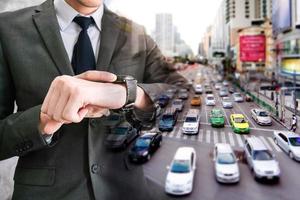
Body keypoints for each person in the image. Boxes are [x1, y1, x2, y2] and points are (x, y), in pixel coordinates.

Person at [0, 0, 186, 199]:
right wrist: (42, 120)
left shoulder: (137, 34)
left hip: (127, 190)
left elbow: (182, 93)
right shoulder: (7, 28)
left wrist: (131, 93)